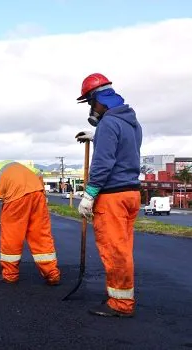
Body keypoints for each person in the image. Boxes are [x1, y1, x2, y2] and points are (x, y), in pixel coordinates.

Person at [75, 72, 143, 318]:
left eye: (91, 103)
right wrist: (97, 137)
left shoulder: (108, 124)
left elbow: (103, 164)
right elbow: (125, 148)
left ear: (98, 99)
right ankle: (120, 295)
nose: (91, 108)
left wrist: (89, 195)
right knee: (123, 248)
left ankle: (121, 304)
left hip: (112, 196)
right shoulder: (132, 123)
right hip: (131, 194)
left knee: (114, 250)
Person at [0, 156, 61, 285]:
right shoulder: (7, 163)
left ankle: (10, 275)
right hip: (37, 195)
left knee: (11, 236)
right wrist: (42, 194)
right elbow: (37, 172)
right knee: (40, 235)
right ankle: (52, 274)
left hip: (16, 199)